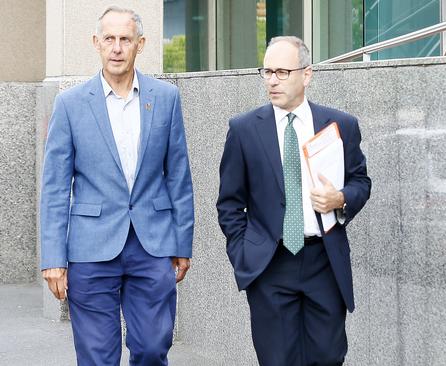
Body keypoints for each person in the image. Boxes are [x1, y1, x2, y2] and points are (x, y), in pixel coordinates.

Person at [40, 6, 194, 365]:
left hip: (152, 245)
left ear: (140, 44)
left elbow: (179, 178)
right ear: (96, 43)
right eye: (109, 39)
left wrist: (182, 243)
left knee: (153, 349)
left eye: (125, 39)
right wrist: (53, 259)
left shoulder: (166, 98)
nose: (117, 47)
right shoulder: (70, 105)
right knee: (97, 356)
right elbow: (55, 188)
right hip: (90, 248)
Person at [217, 36, 371, 365]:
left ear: (307, 74)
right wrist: (243, 253)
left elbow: (361, 181)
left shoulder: (339, 125)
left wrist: (341, 197)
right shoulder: (244, 130)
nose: (272, 80)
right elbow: (229, 204)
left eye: (283, 72)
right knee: (277, 359)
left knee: (328, 357)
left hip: (323, 262)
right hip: (270, 264)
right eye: (267, 71)